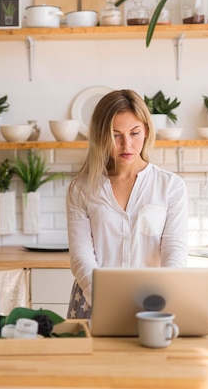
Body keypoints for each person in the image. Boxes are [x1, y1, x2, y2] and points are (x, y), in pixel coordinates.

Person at [66, 89, 188, 319]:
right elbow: (81, 255)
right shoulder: (81, 188)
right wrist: (104, 299)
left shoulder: (170, 186)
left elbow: (175, 250)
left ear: (147, 131)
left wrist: (162, 296)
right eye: (115, 135)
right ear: (101, 136)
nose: (127, 145)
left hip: (153, 304)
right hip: (93, 302)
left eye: (134, 133)